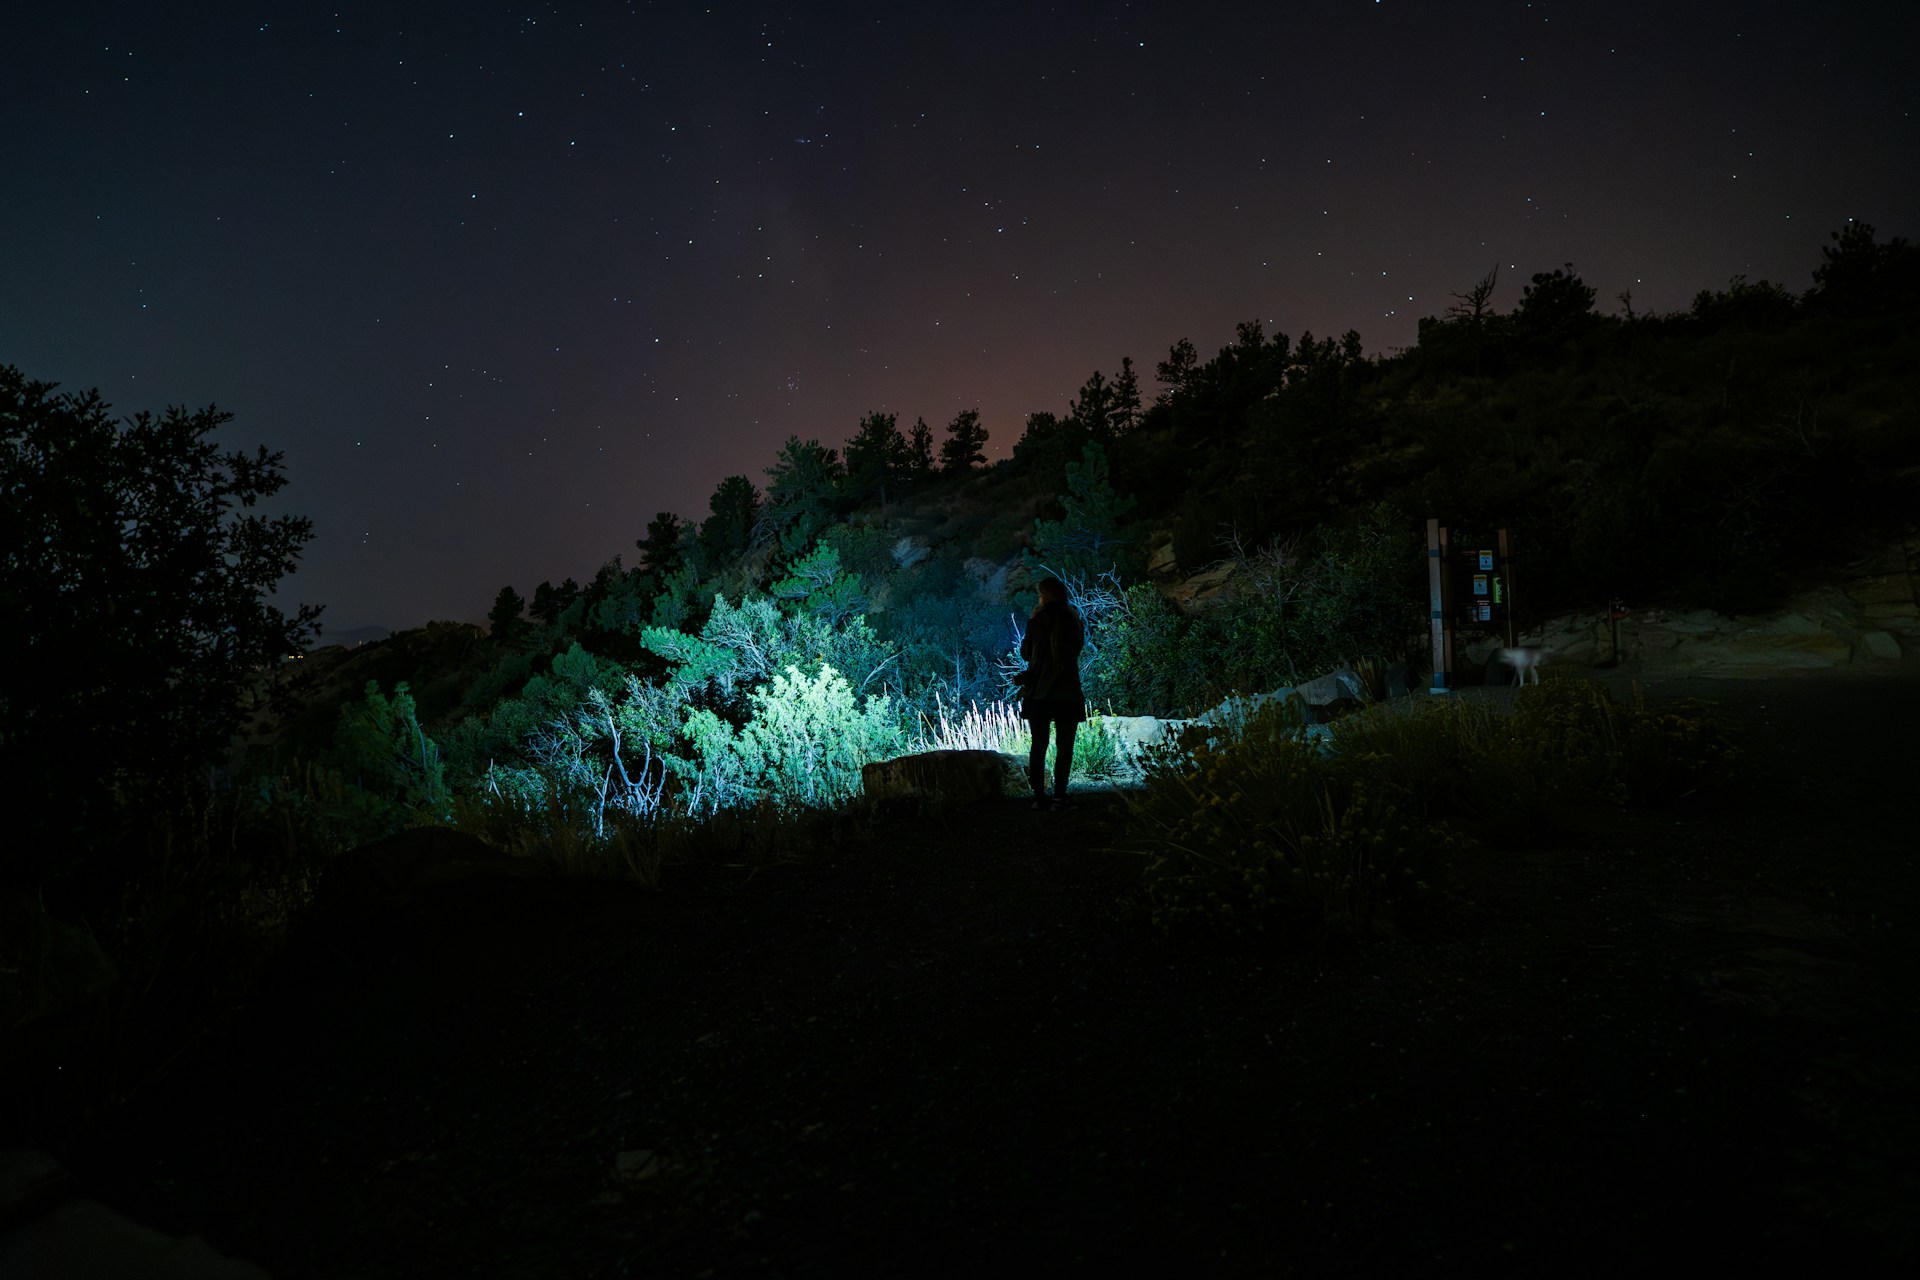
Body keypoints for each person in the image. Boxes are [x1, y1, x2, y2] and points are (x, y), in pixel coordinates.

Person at [1018, 577, 1086, 811]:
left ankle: (1039, 797)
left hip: (1039, 693)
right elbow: (1077, 649)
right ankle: (1059, 797)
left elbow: (1026, 654)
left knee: (1039, 745)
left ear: (1043, 596)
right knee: (1065, 746)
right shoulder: (1072, 619)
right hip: (1067, 692)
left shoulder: (1037, 620)